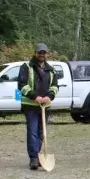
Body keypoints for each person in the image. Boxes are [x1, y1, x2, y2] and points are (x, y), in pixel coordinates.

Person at [17, 42, 58, 171]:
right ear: (35, 53)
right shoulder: (26, 67)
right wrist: (35, 97)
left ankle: (40, 156)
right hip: (30, 105)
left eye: (44, 53)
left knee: (42, 133)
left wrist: (49, 97)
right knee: (33, 131)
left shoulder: (51, 70)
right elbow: (22, 85)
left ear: (47, 54)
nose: (42, 55)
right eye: (39, 52)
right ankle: (33, 158)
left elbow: (55, 86)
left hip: (45, 106)